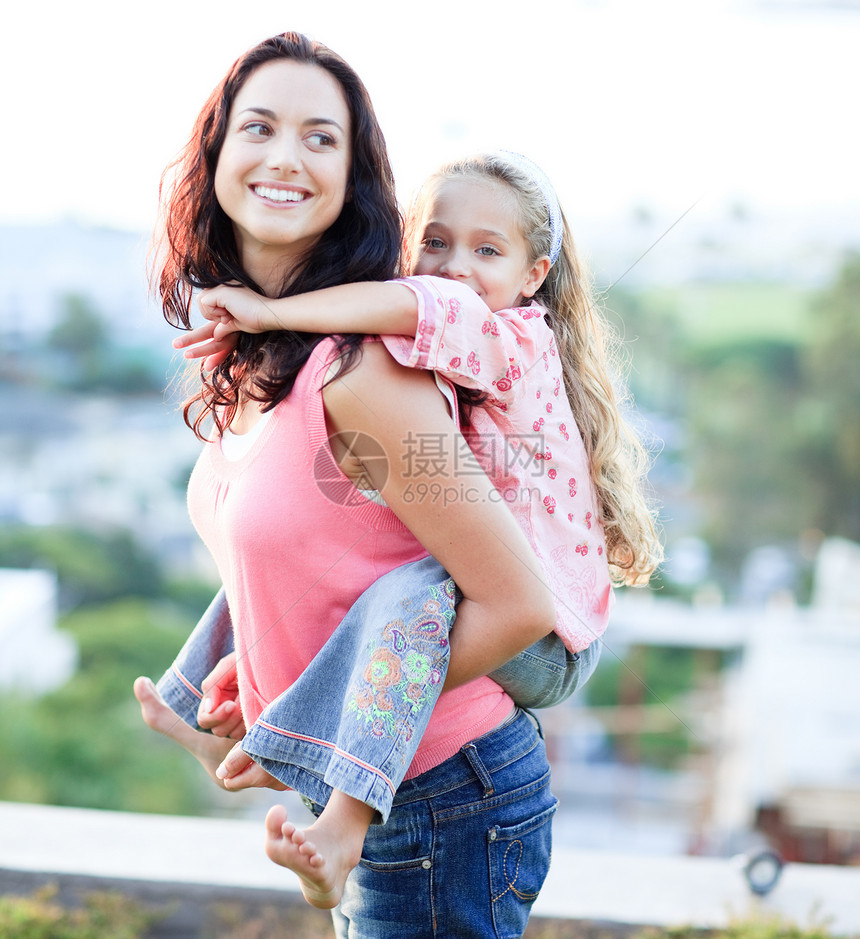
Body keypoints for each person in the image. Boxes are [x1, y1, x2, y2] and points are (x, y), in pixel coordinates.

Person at [133, 31, 602, 937]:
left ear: (354, 176)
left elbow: (509, 605)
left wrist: (323, 730)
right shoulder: (268, 360)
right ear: (216, 153)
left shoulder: (370, 370)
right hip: (395, 789)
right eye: (258, 126)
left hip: (442, 796)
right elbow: (318, 566)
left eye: (320, 137)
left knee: (407, 596)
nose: (283, 155)